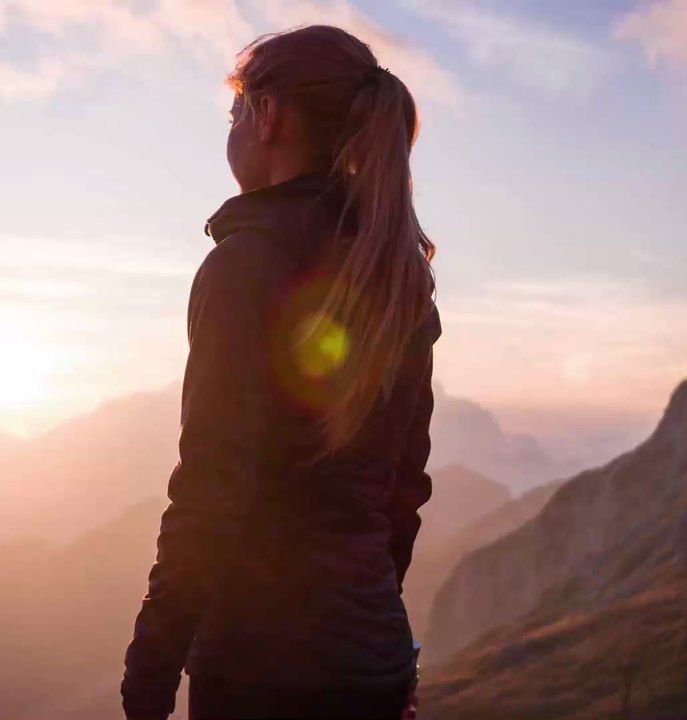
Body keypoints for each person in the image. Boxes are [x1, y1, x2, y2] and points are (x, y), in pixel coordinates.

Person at [120, 24, 441, 720]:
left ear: (269, 118)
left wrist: (147, 679)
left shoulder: (245, 267)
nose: (231, 126)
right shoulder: (396, 273)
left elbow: (212, 485)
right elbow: (402, 491)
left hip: (260, 670)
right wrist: (373, 631)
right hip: (373, 663)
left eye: (237, 108)